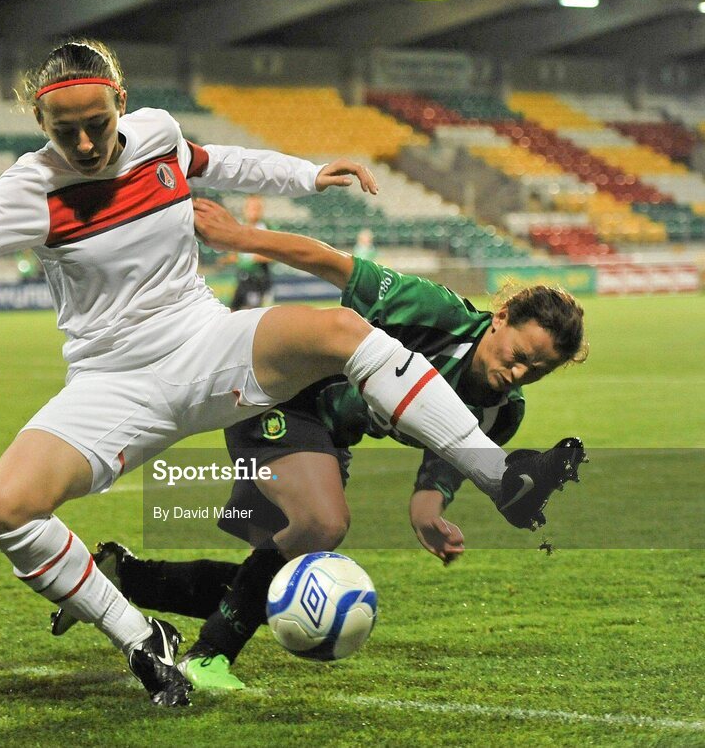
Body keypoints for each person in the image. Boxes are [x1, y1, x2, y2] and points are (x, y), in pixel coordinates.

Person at [0, 39, 575, 707]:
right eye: (66, 131)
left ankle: (498, 473)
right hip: (110, 383)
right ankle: (141, 639)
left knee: (345, 330)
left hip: (209, 342)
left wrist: (309, 174)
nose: (86, 141)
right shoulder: (30, 189)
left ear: (121, 101)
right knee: (4, 506)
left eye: (98, 123)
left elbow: (223, 162)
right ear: (42, 127)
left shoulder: (157, 134)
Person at [52, 199, 587, 689]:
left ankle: (116, 579)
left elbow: (435, 482)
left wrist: (430, 516)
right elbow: (332, 263)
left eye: (537, 371)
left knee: (267, 580)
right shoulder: (435, 312)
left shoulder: (500, 413)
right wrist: (241, 236)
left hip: (326, 437)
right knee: (323, 524)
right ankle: (208, 657)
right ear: (500, 319)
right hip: (277, 391)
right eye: (519, 353)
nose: (518, 372)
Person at [228, 195, 272, 311]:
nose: (254, 211)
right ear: (245, 209)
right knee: (232, 310)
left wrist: (257, 258)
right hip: (242, 279)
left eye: (257, 208)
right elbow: (234, 253)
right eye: (251, 208)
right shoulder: (240, 228)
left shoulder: (266, 228)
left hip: (258, 279)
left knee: (252, 312)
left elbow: (273, 255)